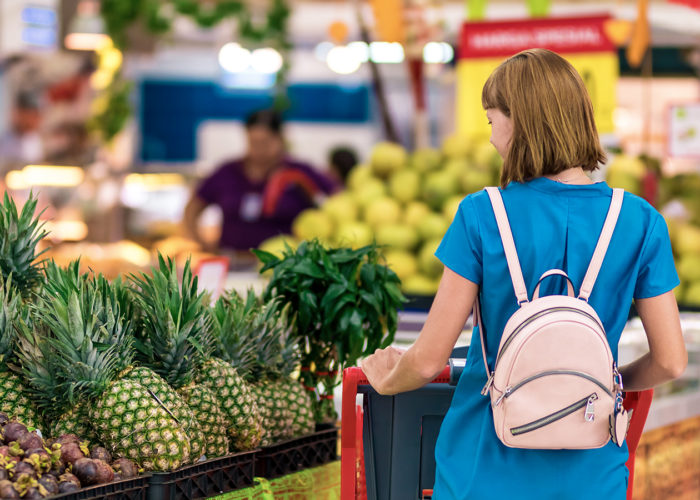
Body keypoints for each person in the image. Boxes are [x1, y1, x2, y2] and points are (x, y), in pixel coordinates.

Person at [360, 49, 687, 499]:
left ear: (520, 123)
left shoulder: (482, 215)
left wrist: (386, 377)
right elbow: (671, 361)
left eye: (492, 121)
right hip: (592, 472)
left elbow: (428, 359)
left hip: (483, 466)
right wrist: (601, 383)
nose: (492, 138)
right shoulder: (640, 220)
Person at [183, 109, 338, 255]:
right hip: (232, 260)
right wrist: (201, 244)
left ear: (280, 139)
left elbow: (337, 200)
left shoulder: (299, 172)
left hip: (286, 265)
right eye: (253, 143)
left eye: (265, 143)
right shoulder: (227, 172)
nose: (258, 149)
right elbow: (193, 208)